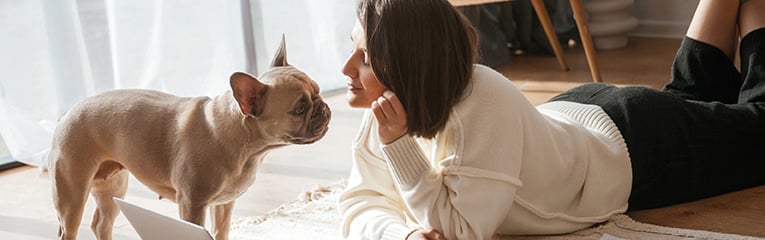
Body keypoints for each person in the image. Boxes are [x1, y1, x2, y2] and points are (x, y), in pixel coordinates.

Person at [338, 0, 765, 239]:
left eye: (365, 59)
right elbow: (359, 203)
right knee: (689, 101)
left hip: (635, 145)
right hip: (584, 117)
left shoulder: (482, 100)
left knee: (757, 129)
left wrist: (398, 147)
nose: (345, 70)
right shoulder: (386, 109)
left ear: (410, 64)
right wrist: (402, 236)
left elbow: (461, 231)